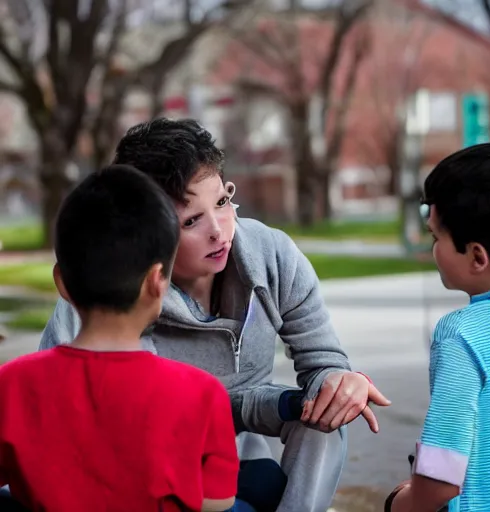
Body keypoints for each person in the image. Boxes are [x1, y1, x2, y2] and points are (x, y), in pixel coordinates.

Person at [40, 118, 391, 512]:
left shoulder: (273, 255)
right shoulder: (107, 294)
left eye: (223, 201)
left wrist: (341, 383)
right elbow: (59, 410)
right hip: (151, 470)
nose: (220, 231)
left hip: (241, 451)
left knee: (327, 411)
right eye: (191, 220)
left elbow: (323, 360)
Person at [0, 165, 241, 512]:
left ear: (62, 283)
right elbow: (217, 502)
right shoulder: (203, 395)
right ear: (157, 281)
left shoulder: (12, 384)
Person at [386, 143, 490, 512]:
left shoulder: (462, 335)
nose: (433, 249)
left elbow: (441, 478)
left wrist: (400, 503)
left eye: (435, 238)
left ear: (476, 256)